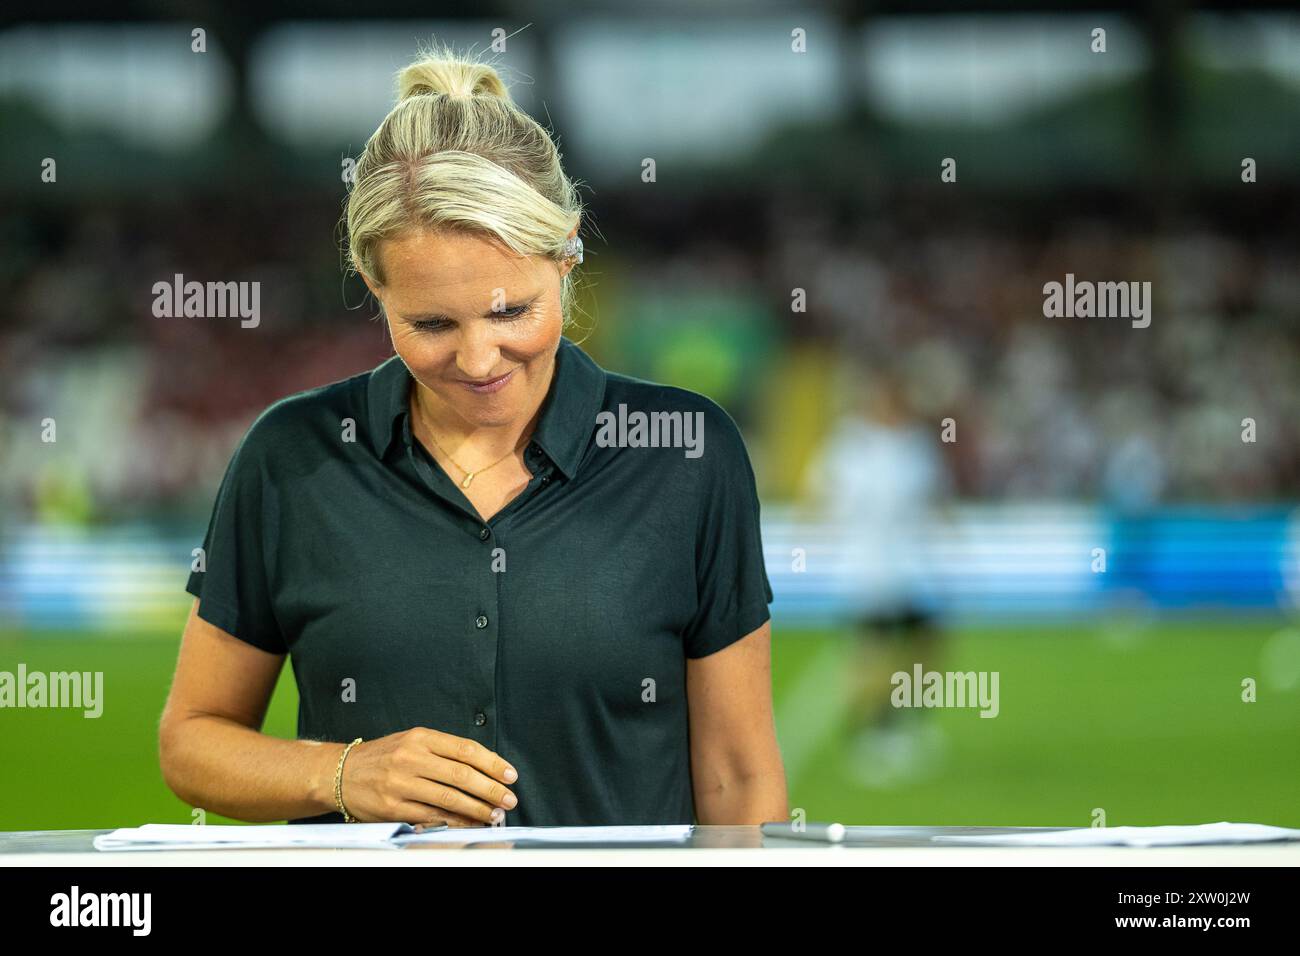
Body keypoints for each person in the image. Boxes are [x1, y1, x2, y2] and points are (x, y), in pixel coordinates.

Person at [159, 45, 786, 828]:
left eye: (510, 312)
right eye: (429, 324)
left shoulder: (691, 453)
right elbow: (191, 741)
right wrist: (344, 772)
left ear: (567, 255)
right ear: (372, 284)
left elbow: (738, 774)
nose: (479, 360)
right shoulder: (291, 455)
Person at [801, 360, 951, 788]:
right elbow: (820, 495)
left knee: (927, 644)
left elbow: (934, 497)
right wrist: (817, 538)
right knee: (871, 651)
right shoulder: (850, 445)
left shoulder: (916, 445)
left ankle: (909, 723)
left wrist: (949, 541)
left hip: (913, 564)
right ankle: (866, 733)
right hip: (865, 565)